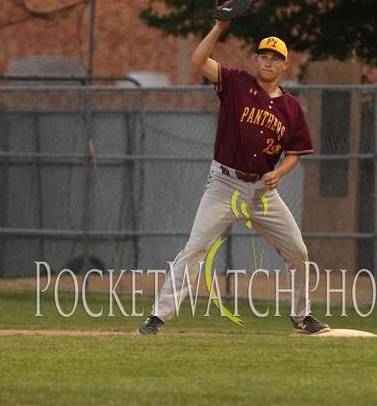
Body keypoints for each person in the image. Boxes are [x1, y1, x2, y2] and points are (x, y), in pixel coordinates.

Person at [138, 19, 330, 336]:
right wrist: (219, 27)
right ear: (255, 60)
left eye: (275, 57)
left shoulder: (292, 108)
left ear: (285, 64)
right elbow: (198, 61)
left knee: (298, 252)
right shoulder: (236, 82)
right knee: (196, 247)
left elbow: (295, 152)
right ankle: (158, 317)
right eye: (263, 56)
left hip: (262, 192)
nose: (268, 62)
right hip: (224, 183)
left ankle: (302, 316)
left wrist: (278, 172)